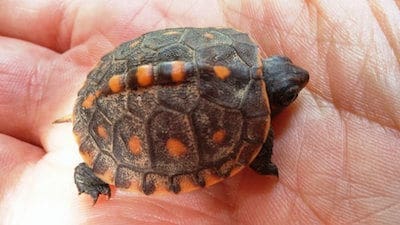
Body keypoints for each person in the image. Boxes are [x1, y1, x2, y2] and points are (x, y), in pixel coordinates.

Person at [0, 1, 399, 224]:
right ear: (277, 100)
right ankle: (91, 170)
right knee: (96, 165)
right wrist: (264, 158)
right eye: (292, 88)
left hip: (111, 76)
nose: (299, 79)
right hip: (111, 109)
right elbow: (257, 153)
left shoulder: (234, 48)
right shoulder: (252, 126)